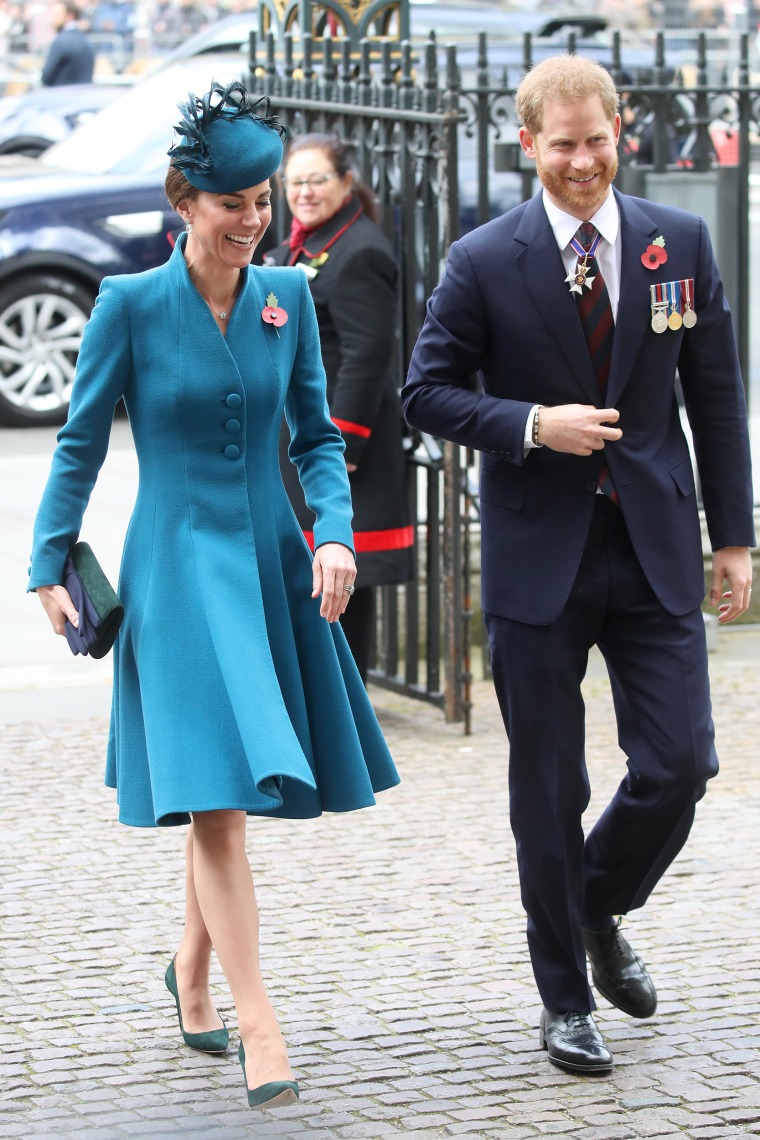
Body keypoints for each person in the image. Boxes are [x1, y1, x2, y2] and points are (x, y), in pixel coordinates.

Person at [28, 81, 399, 1111]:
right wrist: (46, 566)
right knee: (218, 799)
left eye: (263, 201)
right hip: (177, 574)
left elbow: (319, 441)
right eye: (232, 202)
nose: (254, 220)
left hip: (274, 569)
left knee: (224, 794)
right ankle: (260, 1022)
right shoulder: (129, 306)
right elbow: (79, 443)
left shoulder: (286, 297)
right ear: (183, 205)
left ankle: (189, 970)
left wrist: (332, 534)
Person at [402, 55, 754, 1074]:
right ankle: (562, 999)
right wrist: (527, 424)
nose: (582, 161)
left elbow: (715, 399)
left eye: (595, 141)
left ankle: (594, 907)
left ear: (619, 132)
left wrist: (732, 539)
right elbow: (424, 394)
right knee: (548, 788)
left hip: (651, 549)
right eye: (561, 145)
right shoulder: (481, 260)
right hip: (534, 560)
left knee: (680, 764)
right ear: (529, 147)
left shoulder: (678, 243)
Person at [266, 133, 414, 683]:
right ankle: (318, 691)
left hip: (340, 443)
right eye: (295, 182)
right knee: (308, 570)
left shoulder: (362, 249)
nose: (304, 192)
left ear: (347, 183)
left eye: (317, 180)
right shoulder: (302, 243)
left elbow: (368, 353)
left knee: (344, 575)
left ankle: (347, 700)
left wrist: (344, 444)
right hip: (302, 437)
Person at [41, 1, 94, 86]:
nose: (52, 19)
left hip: (62, 95)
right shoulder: (86, 40)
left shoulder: (60, 41)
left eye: (57, 15)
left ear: (70, 16)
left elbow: (46, 77)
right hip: (83, 95)